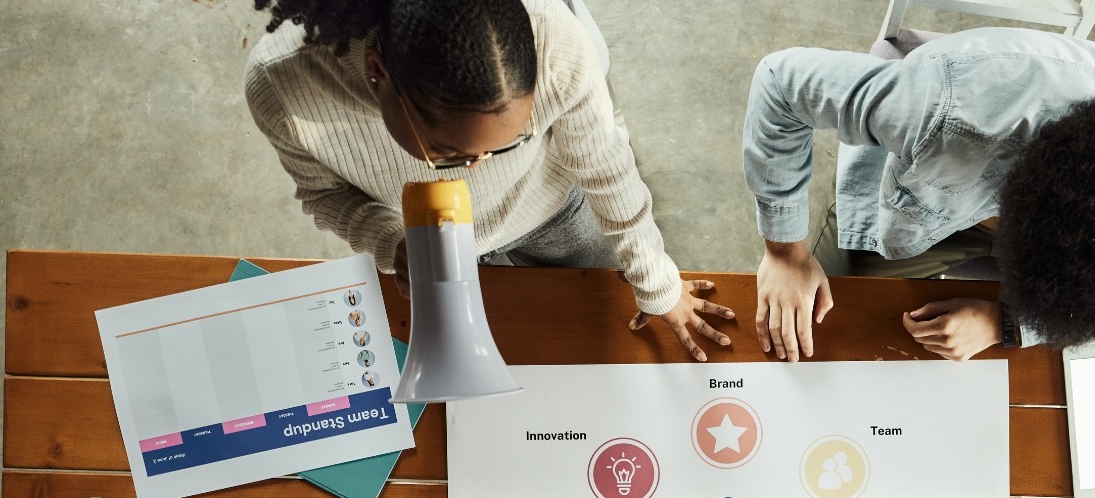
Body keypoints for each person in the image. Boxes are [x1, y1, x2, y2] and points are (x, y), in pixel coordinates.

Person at [247, 0, 734, 361]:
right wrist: (389, 239)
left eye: (509, 142)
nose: (476, 168)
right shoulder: (280, 87)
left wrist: (658, 284)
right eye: (449, 155)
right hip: (427, 248)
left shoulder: (557, 44)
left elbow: (605, 165)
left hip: (553, 206)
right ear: (378, 72)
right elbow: (324, 193)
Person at [744, 29, 1095, 361]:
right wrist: (785, 254)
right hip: (935, 184)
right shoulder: (939, 106)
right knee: (841, 300)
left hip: (1041, 226)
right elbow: (781, 84)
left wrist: (1008, 323)